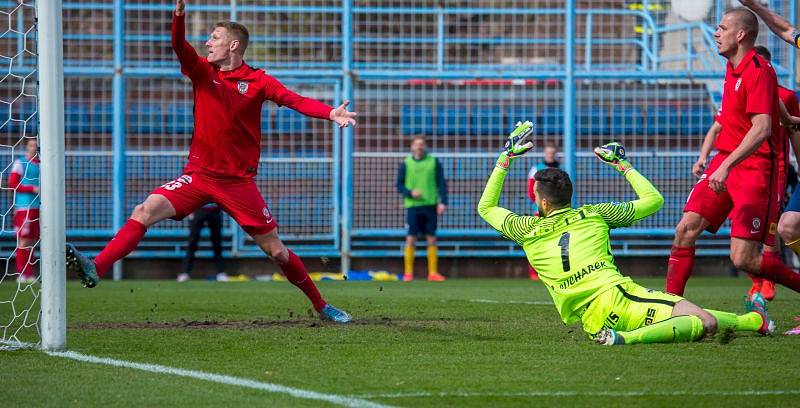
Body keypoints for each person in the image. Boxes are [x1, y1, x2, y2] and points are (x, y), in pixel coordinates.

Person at [64, 0, 357, 323]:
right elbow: (179, 45)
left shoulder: (259, 81)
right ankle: (97, 266)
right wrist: (179, 15)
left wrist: (330, 112)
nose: (207, 43)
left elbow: (294, 100)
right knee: (144, 211)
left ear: (233, 45)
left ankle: (321, 305)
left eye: (214, 37)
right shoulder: (204, 73)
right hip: (199, 176)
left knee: (276, 251)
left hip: (237, 183)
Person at [478, 122, 774, 345]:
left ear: (542, 201)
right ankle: (623, 340)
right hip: (620, 298)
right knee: (704, 321)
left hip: (592, 320)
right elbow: (654, 200)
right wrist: (622, 163)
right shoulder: (595, 214)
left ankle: (753, 321)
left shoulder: (526, 229)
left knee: (680, 310)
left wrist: (505, 158)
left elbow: (486, 207)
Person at [665, 9, 800, 300]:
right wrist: (787, 117)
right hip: (725, 160)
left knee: (744, 259)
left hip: (754, 170)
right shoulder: (733, 65)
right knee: (685, 229)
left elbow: (762, 128)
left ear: (740, 35)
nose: (716, 33)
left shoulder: (759, 70)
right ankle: (669, 305)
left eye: (722, 28)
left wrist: (726, 165)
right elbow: (768, 98)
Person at [396, 136, 448, 282]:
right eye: (416, 144)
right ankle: (408, 273)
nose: (419, 147)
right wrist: (410, 192)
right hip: (413, 206)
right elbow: (399, 185)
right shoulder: (406, 163)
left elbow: (441, 182)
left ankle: (432, 273)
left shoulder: (433, 161)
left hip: (430, 205)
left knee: (431, 237)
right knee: (411, 238)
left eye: (421, 144)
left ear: (425, 146)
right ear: (412, 147)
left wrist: (443, 202)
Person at [526, 144, 560, 280]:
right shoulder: (536, 168)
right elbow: (530, 190)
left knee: (556, 242)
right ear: (545, 154)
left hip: (557, 211)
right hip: (539, 211)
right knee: (537, 242)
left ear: (555, 154)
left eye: (552, 153)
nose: (550, 155)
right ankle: (534, 274)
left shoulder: (561, 169)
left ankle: (554, 272)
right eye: (548, 153)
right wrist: (540, 204)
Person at [9, 138, 39, 283]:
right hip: (24, 208)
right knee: (23, 240)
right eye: (31, 145)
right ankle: (21, 274)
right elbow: (13, 183)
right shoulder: (20, 163)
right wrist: (32, 188)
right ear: (27, 147)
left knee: (33, 242)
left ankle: (30, 273)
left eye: (36, 145)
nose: (34, 148)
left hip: (38, 208)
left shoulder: (41, 165)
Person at [178, 203, 227, 282]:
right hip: (199, 209)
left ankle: (221, 272)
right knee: (192, 242)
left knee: (217, 243)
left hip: (215, 210)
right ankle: (184, 272)